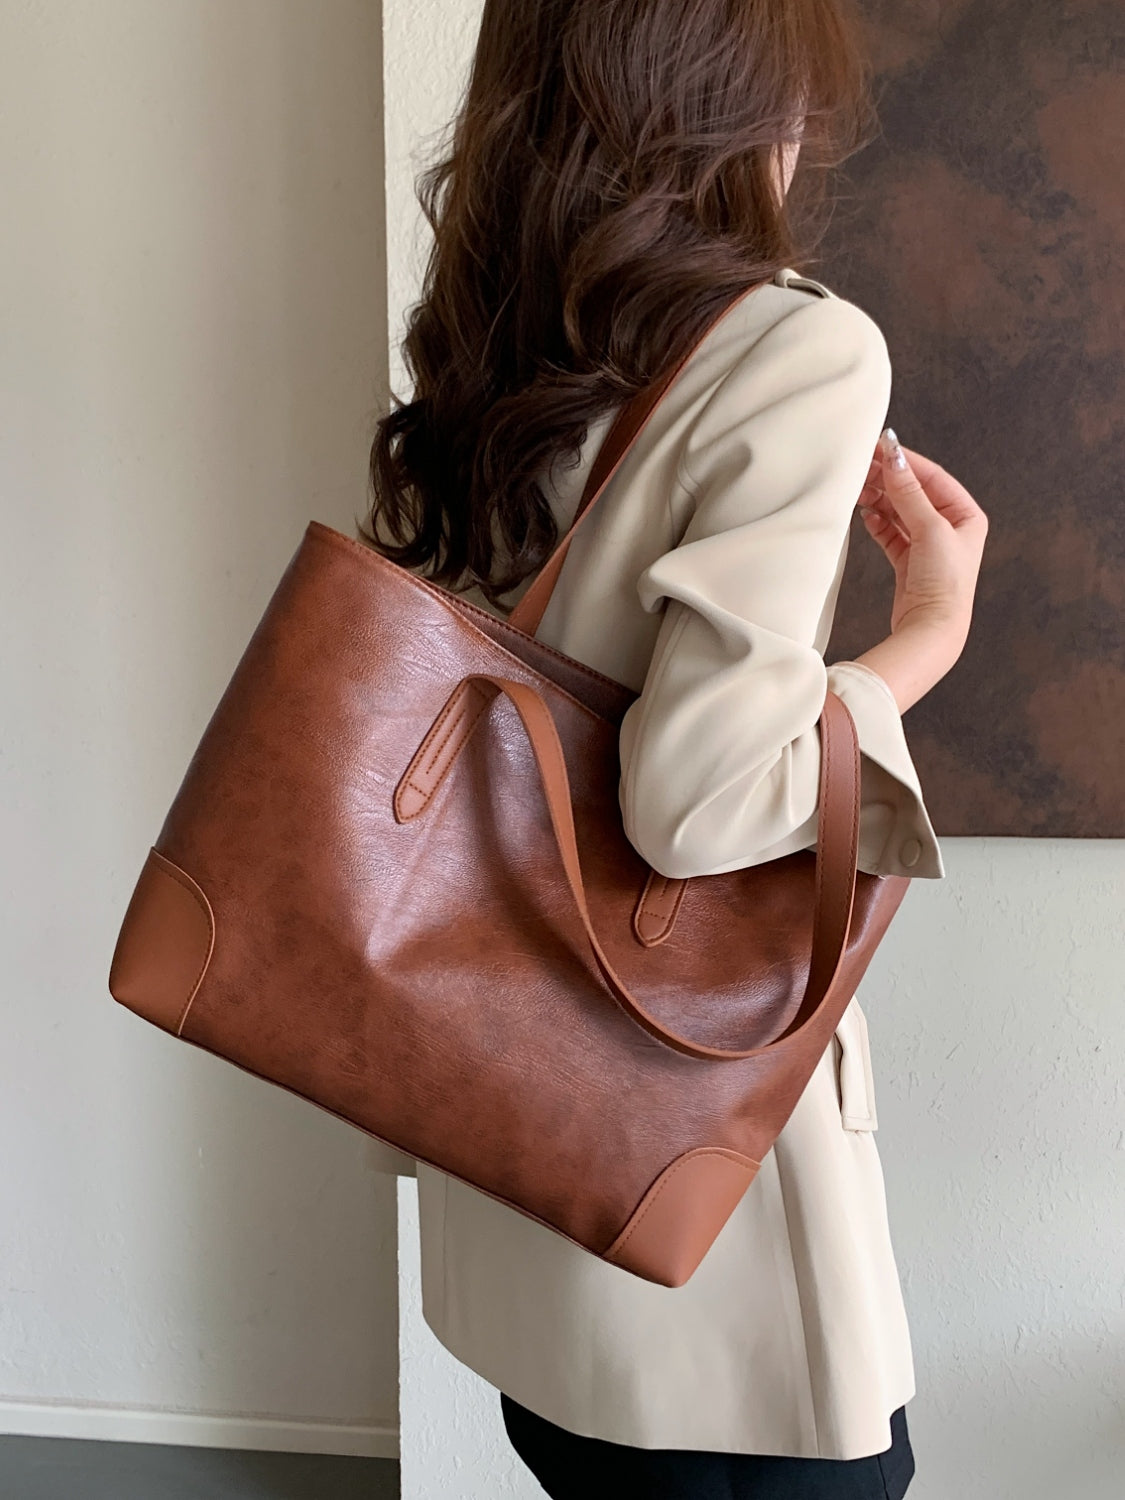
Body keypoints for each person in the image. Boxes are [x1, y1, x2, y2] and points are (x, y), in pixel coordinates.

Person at [362, 1, 989, 1495]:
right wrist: (923, 638)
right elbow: (696, 804)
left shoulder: (494, 349)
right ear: (727, 98)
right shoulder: (797, 347)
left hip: (520, 1183)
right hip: (700, 1233)